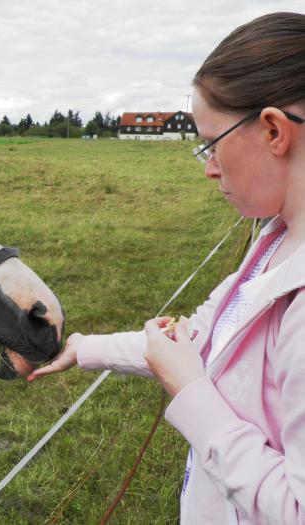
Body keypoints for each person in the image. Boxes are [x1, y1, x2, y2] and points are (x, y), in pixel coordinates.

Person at [28, 12, 305, 524]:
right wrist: (83, 349)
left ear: (272, 130)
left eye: (212, 142)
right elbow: (196, 339)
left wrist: (192, 394)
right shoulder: (274, 241)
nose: (209, 167)